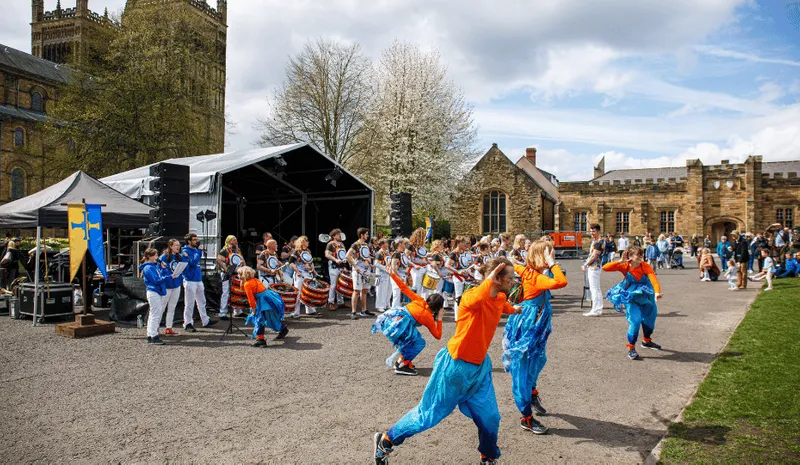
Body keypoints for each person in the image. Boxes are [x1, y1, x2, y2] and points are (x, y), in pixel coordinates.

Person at [373, 258, 521, 465]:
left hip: (480, 367)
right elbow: (477, 299)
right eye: (509, 277)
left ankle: (488, 458)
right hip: (455, 366)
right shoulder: (471, 296)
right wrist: (487, 280)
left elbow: (501, 305)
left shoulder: (500, 297)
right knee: (428, 415)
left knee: (490, 418)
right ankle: (386, 441)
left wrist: (515, 310)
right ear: (495, 279)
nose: (513, 281)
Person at [502, 241, 567, 435]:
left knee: (538, 360)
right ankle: (526, 417)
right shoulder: (536, 277)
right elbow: (561, 282)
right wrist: (552, 264)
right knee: (522, 366)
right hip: (528, 326)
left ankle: (531, 393)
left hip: (537, 326)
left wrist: (513, 259)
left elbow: (517, 266)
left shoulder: (530, 271)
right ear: (541, 256)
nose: (553, 256)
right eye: (549, 254)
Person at [372, 272, 444, 376]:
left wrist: (392, 274)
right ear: (437, 308)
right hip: (398, 328)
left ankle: (400, 362)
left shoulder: (420, 300)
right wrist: (440, 319)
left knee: (414, 338)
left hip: (391, 321)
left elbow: (404, 288)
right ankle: (403, 365)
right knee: (419, 342)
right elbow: (438, 336)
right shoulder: (428, 317)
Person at [603, 246, 663, 360]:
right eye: (638, 255)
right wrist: (620, 261)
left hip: (646, 296)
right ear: (630, 257)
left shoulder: (645, 266)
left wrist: (657, 293)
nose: (641, 257)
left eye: (642, 255)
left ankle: (646, 341)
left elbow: (654, 280)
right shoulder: (625, 266)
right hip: (631, 296)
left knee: (650, 319)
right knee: (635, 321)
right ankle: (631, 348)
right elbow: (605, 268)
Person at [240, 266, 288, 347]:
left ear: (243, 275)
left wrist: (254, 309)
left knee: (259, 319)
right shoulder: (255, 279)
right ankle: (282, 329)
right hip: (268, 297)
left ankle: (261, 340)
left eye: (239, 274)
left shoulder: (247, 284)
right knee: (269, 317)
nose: (238, 276)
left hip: (264, 301)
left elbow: (250, 299)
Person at [181, 233, 217, 331]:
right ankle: (187, 323)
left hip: (198, 279)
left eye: (196, 239)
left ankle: (205, 320)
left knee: (202, 301)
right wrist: (199, 251)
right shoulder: (185, 251)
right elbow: (193, 262)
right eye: (194, 240)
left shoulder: (195, 250)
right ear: (189, 241)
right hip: (190, 280)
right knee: (189, 303)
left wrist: (198, 251)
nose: (196, 241)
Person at [140, 248, 171, 345]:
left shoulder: (154, 266)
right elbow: (156, 280)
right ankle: (153, 335)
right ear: (149, 257)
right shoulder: (148, 268)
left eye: (157, 255)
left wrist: (164, 269)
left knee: (154, 314)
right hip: (153, 291)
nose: (157, 258)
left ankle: (151, 334)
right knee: (155, 314)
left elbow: (159, 277)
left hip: (157, 291)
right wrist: (168, 277)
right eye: (155, 255)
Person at [289, 236, 319, 318]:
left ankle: (310, 310)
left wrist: (313, 269)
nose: (308, 242)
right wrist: (297, 271)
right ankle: (295, 312)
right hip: (300, 274)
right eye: (306, 241)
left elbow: (310, 262)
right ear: (302, 242)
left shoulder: (308, 251)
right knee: (298, 292)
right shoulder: (296, 251)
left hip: (308, 274)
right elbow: (290, 262)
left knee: (308, 292)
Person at [347, 227, 375, 318]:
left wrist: (370, 264)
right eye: (366, 234)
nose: (368, 236)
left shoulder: (366, 245)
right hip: (358, 270)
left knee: (365, 290)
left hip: (367, 270)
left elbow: (368, 256)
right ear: (362, 235)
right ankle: (353, 312)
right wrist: (355, 266)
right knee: (356, 291)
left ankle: (364, 310)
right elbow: (348, 256)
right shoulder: (355, 245)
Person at [217, 235, 247, 319]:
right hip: (227, 274)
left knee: (237, 292)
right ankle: (222, 313)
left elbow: (242, 260)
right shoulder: (224, 250)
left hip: (237, 273)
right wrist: (226, 269)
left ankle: (237, 311)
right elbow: (218, 260)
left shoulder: (238, 251)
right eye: (234, 240)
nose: (236, 241)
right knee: (226, 292)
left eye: (236, 240)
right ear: (229, 241)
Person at [445, 236, 474, 320]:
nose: (466, 244)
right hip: (458, 277)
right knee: (458, 296)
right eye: (464, 242)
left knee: (465, 296)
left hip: (465, 276)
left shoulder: (465, 252)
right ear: (459, 243)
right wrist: (457, 271)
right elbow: (447, 265)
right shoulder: (454, 253)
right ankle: (457, 317)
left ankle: (464, 314)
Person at [159, 239, 183, 336]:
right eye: (176, 245)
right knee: (162, 307)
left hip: (176, 285)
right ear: (171, 246)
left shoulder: (179, 256)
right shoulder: (164, 257)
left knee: (172, 307)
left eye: (179, 245)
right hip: (167, 285)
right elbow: (159, 270)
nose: (178, 247)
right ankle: (155, 327)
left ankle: (169, 327)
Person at [582, 224, 604, 317]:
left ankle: (595, 309)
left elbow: (594, 255)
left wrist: (585, 265)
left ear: (598, 231)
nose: (591, 233)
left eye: (593, 231)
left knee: (594, 288)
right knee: (597, 288)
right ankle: (598, 308)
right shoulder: (595, 241)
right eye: (591, 231)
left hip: (594, 267)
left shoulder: (599, 242)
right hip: (595, 267)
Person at [324, 229, 348, 311]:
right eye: (338, 234)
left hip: (341, 267)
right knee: (333, 285)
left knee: (341, 285)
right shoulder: (330, 244)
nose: (340, 236)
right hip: (334, 267)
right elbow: (327, 254)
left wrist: (345, 266)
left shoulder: (341, 244)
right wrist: (335, 260)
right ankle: (331, 302)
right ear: (333, 236)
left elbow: (343, 255)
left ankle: (340, 302)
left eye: (340, 234)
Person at [389, 239, 411, 311]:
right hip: (397, 276)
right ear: (400, 244)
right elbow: (393, 266)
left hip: (401, 275)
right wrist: (399, 276)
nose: (405, 245)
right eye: (404, 244)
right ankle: (394, 311)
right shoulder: (396, 254)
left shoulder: (401, 253)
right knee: (396, 294)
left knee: (399, 294)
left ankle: (397, 310)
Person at [374, 239, 392, 312]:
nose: (387, 244)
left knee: (388, 290)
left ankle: (386, 304)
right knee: (380, 290)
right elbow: (376, 264)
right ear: (382, 245)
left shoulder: (387, 253)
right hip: (381, 274)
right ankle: (379, 305)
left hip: (388, 274)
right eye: (386, 243)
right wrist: (385, 268)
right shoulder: (379, 253)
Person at [408, 228, 428, 294]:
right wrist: (414, 265)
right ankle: (415, 303)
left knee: (424, 289)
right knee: (417, 288)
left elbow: (423, 257)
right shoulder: (410, 246)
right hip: (416, 269)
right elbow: (405, 257)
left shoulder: (422, 246)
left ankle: (421, 303)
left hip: (424, 268)